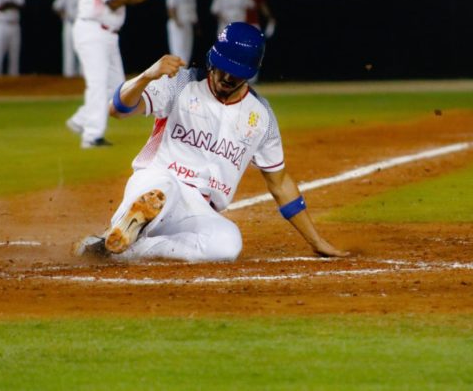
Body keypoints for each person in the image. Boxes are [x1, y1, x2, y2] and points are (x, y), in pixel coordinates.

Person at [73, 22, 348, 263]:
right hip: (157, 183)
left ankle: (120, 248)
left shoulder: (261, 117)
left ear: (251, 71)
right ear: (212, 59)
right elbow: (117, 109)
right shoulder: (180, 83)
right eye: (222, 69)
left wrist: (316, 241)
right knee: (161, 190)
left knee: (228, 244)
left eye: (235, 73)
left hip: (197, 210)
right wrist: (147, 76)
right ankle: (128, 226)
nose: (226, 78)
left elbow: (280, 183)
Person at [67, 0, 174, 149]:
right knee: (98, 84)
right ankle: (91, 136)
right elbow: (114, 2)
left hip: (107, 33)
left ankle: (79, 120)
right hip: (93, 30)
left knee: (116, 87)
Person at [166, 0, 198, 66]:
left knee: (187, 51)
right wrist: (176, 21)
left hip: (188, 23)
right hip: (177, 23)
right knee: (178, 50)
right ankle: (177, 73)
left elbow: (193, 10)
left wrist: (196, 25)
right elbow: (171, 8)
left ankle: (184, 72)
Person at [53, 0, 81, 77]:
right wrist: (63, 14)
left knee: (82, 50)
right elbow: (56, 6)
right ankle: (68, 75)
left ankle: (82, 75)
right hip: (69, 24)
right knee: (68, 51)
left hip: (83, 25)